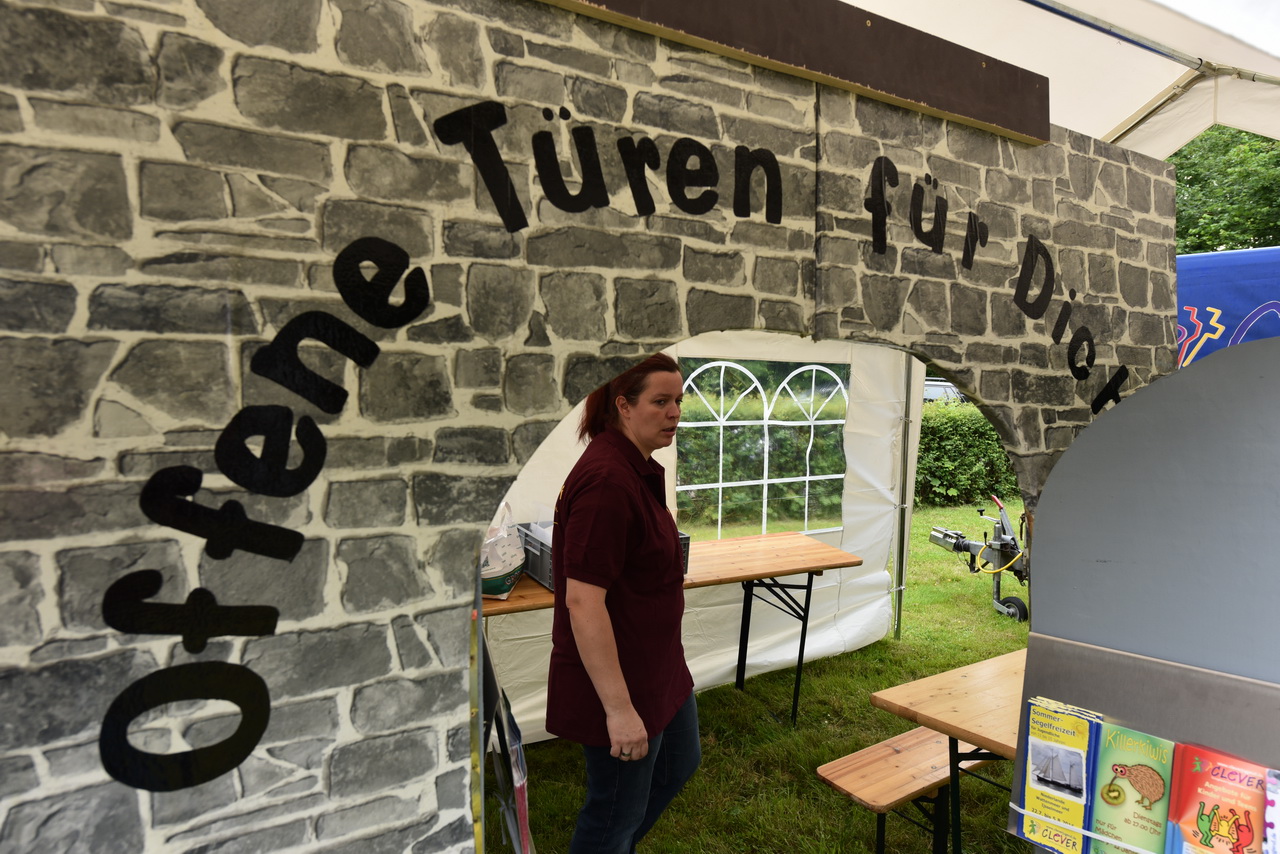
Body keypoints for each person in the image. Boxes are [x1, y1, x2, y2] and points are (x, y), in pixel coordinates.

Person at [546, 352, 700, 853]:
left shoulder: (636, 466)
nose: (675, 412)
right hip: (621, 680)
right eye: (661, 401)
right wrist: (619, 710)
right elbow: (582, 602)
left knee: (679, 764)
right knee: (614, 813)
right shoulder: (607, 481)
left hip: (658, 667)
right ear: (623, 405)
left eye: (679, 400)